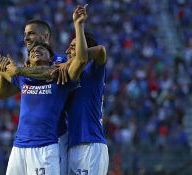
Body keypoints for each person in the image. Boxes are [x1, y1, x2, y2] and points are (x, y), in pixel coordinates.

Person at [0, 9, 69, 175]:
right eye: (25, 34)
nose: (26, 38)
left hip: (52, 141)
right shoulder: (25, 70)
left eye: (31, 34)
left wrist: (17, 70)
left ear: (46, 37)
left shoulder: (60, 61)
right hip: (20, 145)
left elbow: (51, 72)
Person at [0, 42, 77, 175]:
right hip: (18, 147)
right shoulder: (24, 79)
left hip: (44, 147)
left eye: (41, 50)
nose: (35, 51)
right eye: (32, 52)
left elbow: (80, 60)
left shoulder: (60, 77)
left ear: (51, 59)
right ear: (29, 61)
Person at [65, 5, 109, 175]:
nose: (68, 50)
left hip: (90, 144)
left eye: (73, 46)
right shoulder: (67, 75)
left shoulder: (93, 72)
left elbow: (101, 51)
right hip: (73, 145)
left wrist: (79, 25)